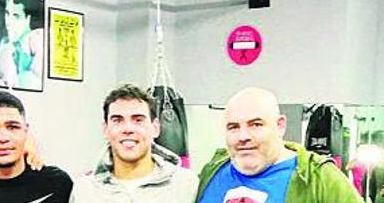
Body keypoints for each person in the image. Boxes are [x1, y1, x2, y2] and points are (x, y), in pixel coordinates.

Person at [197, 87, 362, 203]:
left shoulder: (321, 178)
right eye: (233, 127)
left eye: (256, 124)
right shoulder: (212, 171)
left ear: (280, 125)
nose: (243, 137)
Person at [72, 83, 197, 201]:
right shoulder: (84, 191)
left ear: (155, 128)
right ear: (105, 130)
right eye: (117, 120)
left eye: (138, 120)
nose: (128, 129)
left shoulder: (186, 186)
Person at [0, 0, 44, 89]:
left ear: (28, 18)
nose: (9, 21)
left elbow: (35, 83)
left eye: (16, 16)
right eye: (7, 14)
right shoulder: (5, 45)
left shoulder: (38, 40)